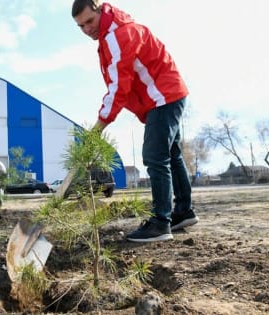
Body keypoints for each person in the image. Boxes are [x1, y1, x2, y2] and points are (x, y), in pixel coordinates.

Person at [71, 0, 198, 242]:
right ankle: (183, 211)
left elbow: (119, 85)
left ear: (100, 9)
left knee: (154, 156)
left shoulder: (118, 34)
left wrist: (100, 123)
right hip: (167, 95)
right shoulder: (114, 31)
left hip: (163, 96)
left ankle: (161, 222)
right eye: (81, 26)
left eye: (89, 21)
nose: (87, 29)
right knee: (172, 154)